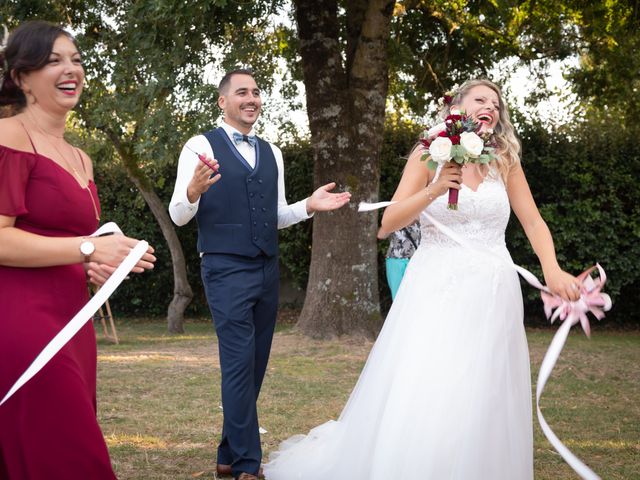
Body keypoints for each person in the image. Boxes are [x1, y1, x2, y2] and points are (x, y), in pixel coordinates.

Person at [263, 79, 582, 479]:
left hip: (494, 289)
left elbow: (533, 221)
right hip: (437, 287)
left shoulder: (504, 160)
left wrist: (552, 270)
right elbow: (389, 223)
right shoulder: (430, 152)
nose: (491, 108)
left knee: (485, 388)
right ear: (458, 107)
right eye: (481, 100)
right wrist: (434, 189)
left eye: (497, 105)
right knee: (436, 382)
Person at [168, 69, 350, 480]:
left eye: (256, 92)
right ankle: (248, 466)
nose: (251, 98)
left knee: (254, 368)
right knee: (237, 364)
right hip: (224, 268)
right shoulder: (199, 146)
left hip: (266, 269)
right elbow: (179, 214)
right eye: (242, 92)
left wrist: (309, 204)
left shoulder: (273, 152)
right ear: (223, 101)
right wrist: (194, 191)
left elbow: (277, 214)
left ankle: (227, 456)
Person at [0, 21, 156, 478]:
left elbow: (63, 244)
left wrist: (99, 265)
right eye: (53, 61)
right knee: (67, 452)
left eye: (76, 59)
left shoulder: (80, 157)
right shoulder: (7, 137)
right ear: (20, 77)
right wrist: (90, 247)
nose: (71, 70)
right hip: (20, 320)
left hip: (73, 320)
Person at [381, 221, 421, 300]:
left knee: (417, 297)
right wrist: (393, 221)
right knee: (398, 298)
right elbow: (381, 235)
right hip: (396, 261)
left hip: (417, 261)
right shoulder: (395, 213)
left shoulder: (423, 213)